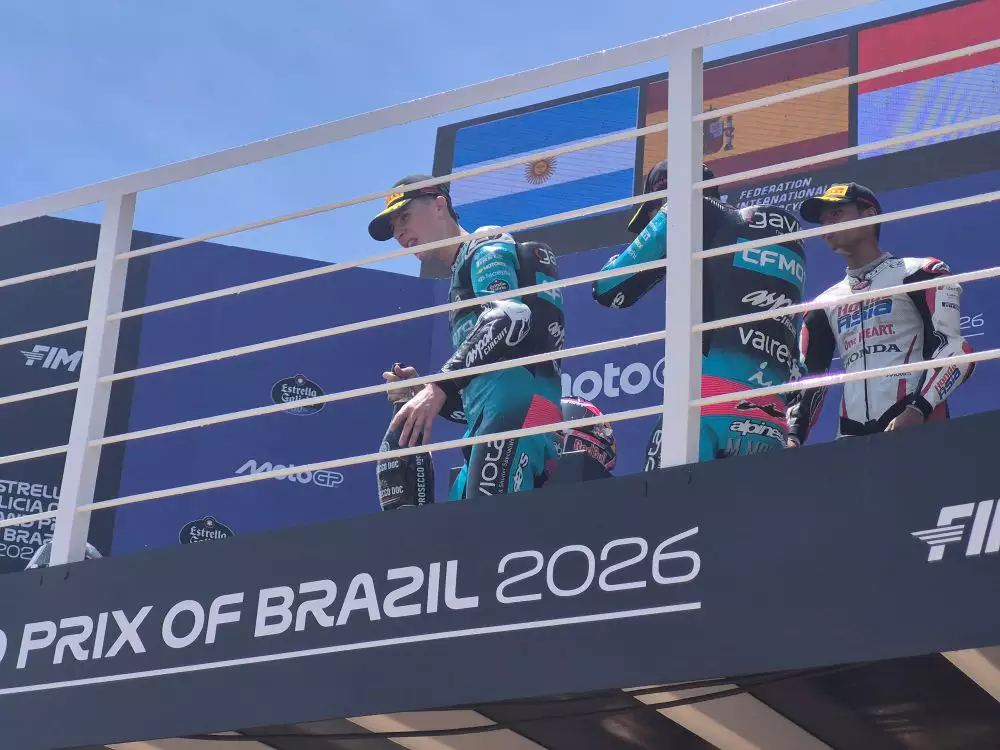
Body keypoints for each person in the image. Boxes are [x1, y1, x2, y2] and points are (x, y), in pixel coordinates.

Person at [593, 160, 806, 467]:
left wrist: (654, 250)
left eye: (651, 216)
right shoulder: (779, 238)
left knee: (662, 499)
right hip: (771, 426)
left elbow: (607, 289)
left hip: (702, 417)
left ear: (663, 197)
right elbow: (798, 362)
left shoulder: (686, 209)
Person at [369, 175, 566, 499]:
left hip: (517, 417)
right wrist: (424, 391)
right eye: (393, 228)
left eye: (404, 217)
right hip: (496, 420)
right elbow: (476, 397)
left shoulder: (484, 244)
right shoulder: (462, 273)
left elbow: (509, 315)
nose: (399, 233)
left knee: (486, 529)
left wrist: (438, 386)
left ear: (439, 205)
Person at [786, 183, 974, 444]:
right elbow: (809, 381)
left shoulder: (919, 273)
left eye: (836, 214)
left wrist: (918, 409)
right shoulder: (823, 304)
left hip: (919, 428)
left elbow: (955, 351)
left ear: (869, 214)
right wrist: (793, 436)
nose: (826, 225)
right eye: (822, 220)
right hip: (850, 439)